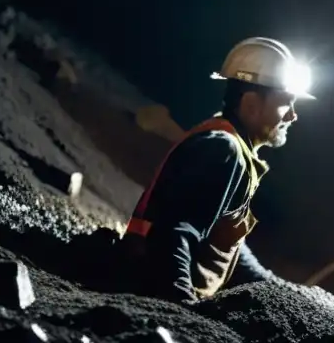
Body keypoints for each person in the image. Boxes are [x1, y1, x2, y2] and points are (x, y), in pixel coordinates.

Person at [122, 36, 315, 303]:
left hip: (148, 285)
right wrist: (181, 307)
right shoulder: (222, 150)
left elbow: (222, 238)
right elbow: (174, 233)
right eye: (286, 103)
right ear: (251, 104)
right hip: (141, 290)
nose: (293, 115)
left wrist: (274, 288)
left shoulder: (232, 146)